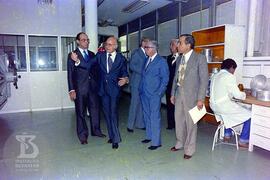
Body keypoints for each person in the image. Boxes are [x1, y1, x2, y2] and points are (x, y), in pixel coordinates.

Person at [71, 36, 129, 149]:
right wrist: (77, 61)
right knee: (107, 114)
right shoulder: (100, 56)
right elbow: (87, 65)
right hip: (103, 90)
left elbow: (124, 72)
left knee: (113, 113)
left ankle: (116, 139)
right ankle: (112, 136)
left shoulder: (121, 59)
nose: (108, 46)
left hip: (114, 90)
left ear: (116, 46)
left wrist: (125, 79)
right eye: (106, 44)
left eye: (111, 44)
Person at [170, 34, 208, 159]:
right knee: (178, 120)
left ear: (188, 45)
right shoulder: (180, 58)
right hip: (178, 94)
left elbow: (204, 80)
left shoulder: (199, 58)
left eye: (180, 43)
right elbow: (176, 77)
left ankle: (189, 149)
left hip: (192, 96)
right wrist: (172, 93)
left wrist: (200, 99)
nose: (177, 45)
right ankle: (180, 142)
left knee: (191, 123)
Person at [67, 32, 105, 145]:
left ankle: (96, 131)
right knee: (80, 113)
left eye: (87, 40)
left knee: (95, 110)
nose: (87, 42)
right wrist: (71, 89)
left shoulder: (92, 54)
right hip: (79, 89)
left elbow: (95, 71)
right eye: (84, 40)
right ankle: (82, 136)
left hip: (92, 88)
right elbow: (70, 73)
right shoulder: (72, 55)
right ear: (78, 41)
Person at [209, 58, 251, 148]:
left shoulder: (215, 76)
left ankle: (227, 135)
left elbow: (224, 91)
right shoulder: (229, 76)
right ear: (231, 67)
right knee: (250, 116)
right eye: (234, 70)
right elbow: (238, 95)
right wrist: (244, 94)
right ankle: (243, 141)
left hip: (214, 106)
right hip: (222, 107)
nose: (233, 72)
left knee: (227, 114)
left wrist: (236, 94)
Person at [140, 40, 169, 150]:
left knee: (154, 117)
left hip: (154, 94)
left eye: (147, 47)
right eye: (145, 47)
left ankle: (156, 142)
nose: (145, 49)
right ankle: (149, 136)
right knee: (147, 115)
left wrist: (158, 93)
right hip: (144, 93)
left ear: (154, 48)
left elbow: (165, 79)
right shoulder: (146, 59)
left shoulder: (161, 61)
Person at [127, 37, 150, 132]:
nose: (149, 45)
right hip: (136, 83)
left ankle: (139, 124)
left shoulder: (148, 54)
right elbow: (131, 66)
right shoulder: (136, 53)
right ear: (143, 43)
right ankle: (130, 125)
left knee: (141, 104)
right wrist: (143, 71)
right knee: (134, 104)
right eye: (148, 43)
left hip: (144, 83)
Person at [166, 39, 179, 130]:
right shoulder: (168, 58)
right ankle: (170, 124)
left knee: (178, 106)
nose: (171, 47)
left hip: (178, 86)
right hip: (169, 85)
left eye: (173, 45)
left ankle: (178, 125)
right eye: (171, 45)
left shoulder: (182, 58)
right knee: (169, 105)